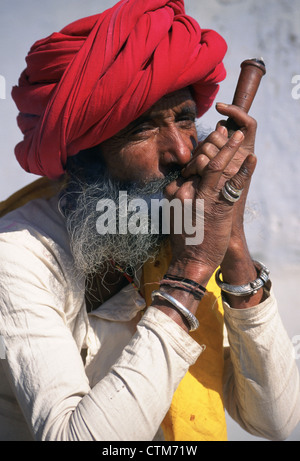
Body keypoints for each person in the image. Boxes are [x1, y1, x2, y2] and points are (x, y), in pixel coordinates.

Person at [0, 0, 299, 442]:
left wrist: (231, 242)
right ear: (81, 159)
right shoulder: (18, 253)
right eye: (141, 129)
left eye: (184, 119)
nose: (181, 152)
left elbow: (276, 419)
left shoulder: (177, 224)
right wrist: (190, 271)